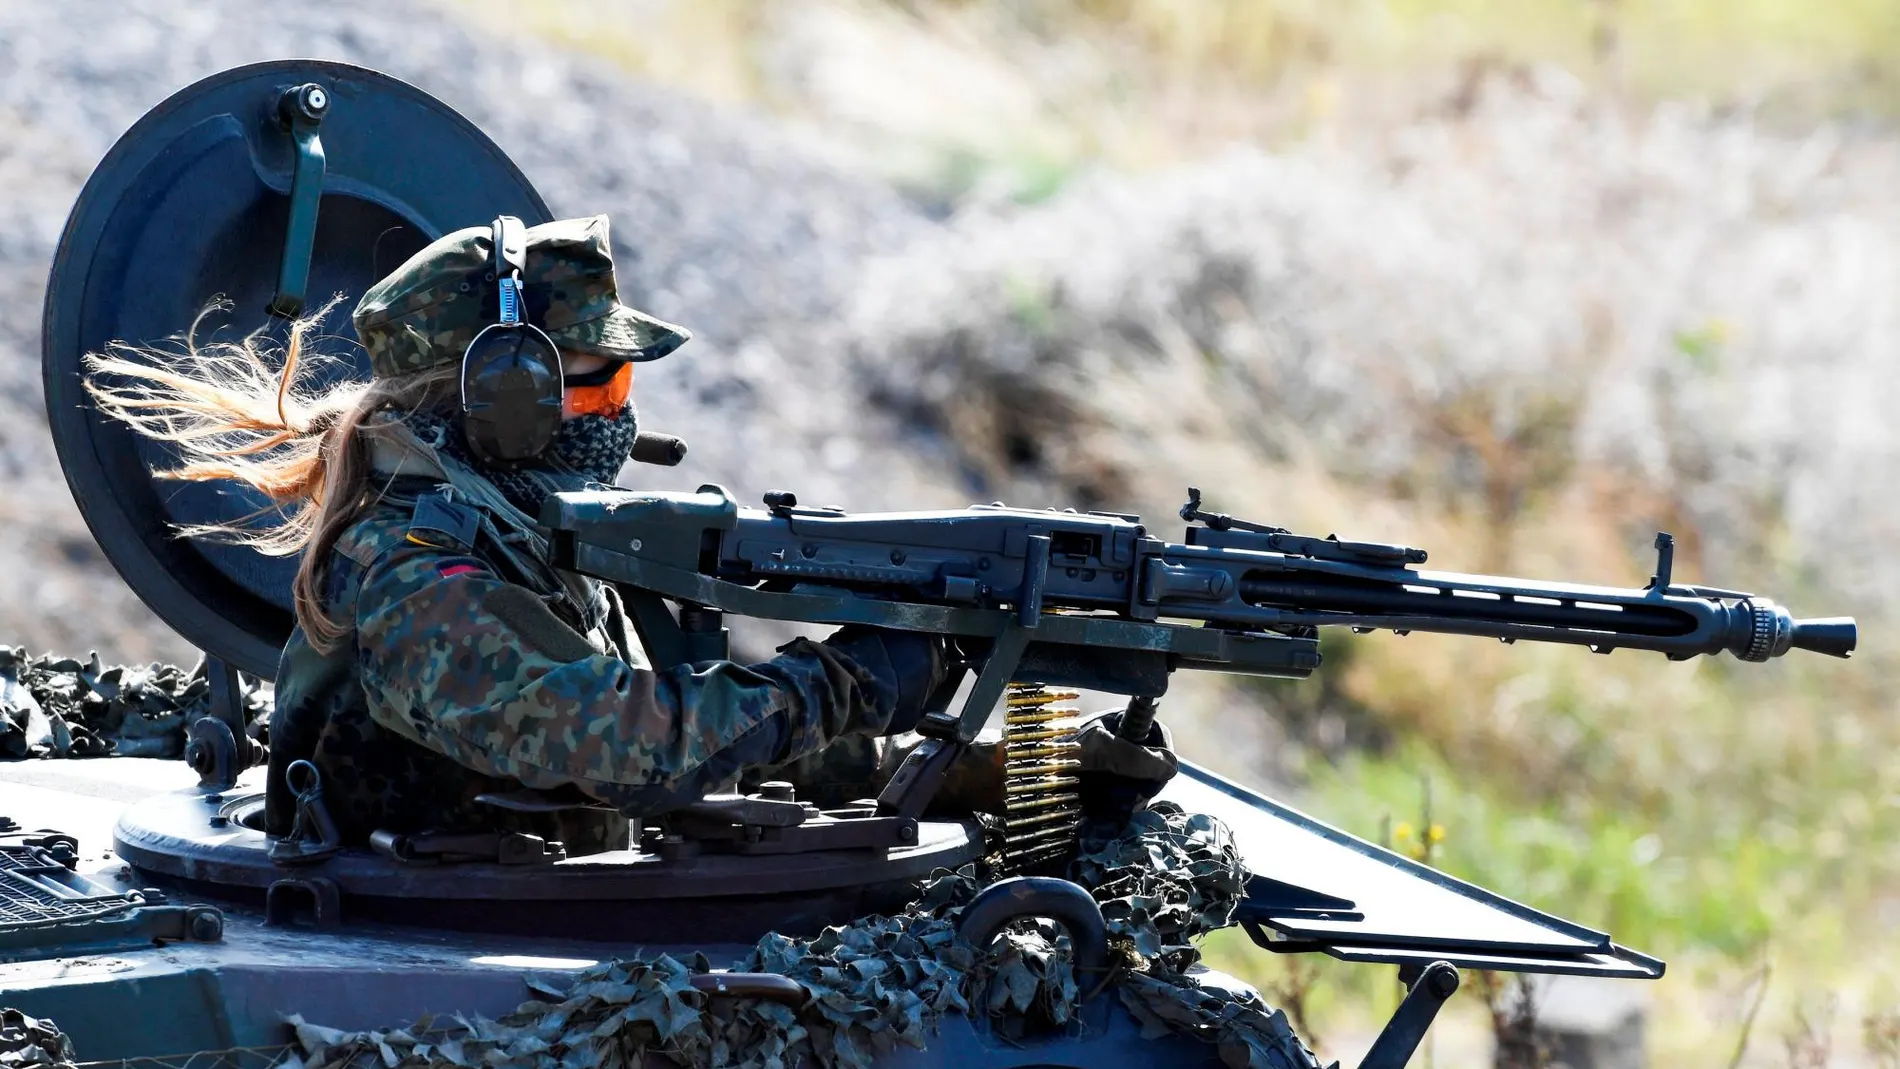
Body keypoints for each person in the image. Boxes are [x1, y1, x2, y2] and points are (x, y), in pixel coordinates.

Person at [84, 214, 1176, 853]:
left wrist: (996, 773)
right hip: (426, 972)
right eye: (598, 384)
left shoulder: (523, 535)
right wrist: (840, 681)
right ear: (502, 397)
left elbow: (719, 741)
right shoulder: (418, 572)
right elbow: (626, 747)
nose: (623, 415)